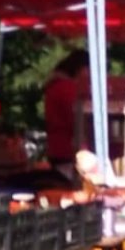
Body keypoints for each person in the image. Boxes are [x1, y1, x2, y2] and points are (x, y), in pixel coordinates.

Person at [42, 50, 90, 182]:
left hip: (56, 148)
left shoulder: (54, 86)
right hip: (68, 150)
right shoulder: (67, 88)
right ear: (81, 68)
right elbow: (76, 119)